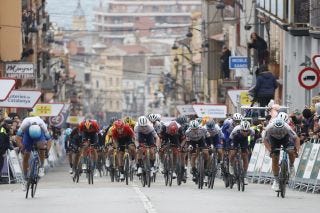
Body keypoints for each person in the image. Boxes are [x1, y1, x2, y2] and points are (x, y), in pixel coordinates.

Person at [263, 118, 300, 191]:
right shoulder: (269, 128)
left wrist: (297, 150)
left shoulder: (287, 127)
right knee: (275, 157)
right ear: (273, 126)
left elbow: (297, 139)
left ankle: (291, 166)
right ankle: (276, 180)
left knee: (291, 151)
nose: (279, 131)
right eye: (277, 129)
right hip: (273, 139)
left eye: (281, 129)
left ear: (283, 126)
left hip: (285, 138)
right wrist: (270, 150)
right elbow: (265, 140)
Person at [16, 116, 51, 191]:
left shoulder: (42, 125)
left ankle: (41, 167)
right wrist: (20, 146)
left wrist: (47, 150)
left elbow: (49, 140)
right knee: (26, 155)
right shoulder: (25, 124)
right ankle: (25, 179)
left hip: (40, 136)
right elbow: (17, 137)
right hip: (28, 135)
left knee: (42, 148)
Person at [229, 120, 254, 185]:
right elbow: (230, 138)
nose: (245, 132)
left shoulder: (251, 131)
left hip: (244, 140)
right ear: (241, 129)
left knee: (245, 156)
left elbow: (251, 139)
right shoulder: (236, 130)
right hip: (235, 139)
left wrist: (248, 146)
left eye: (246, 131)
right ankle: (231, 165)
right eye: (243, 131)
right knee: (233, 153)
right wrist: (231, 147)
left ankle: (244, 176)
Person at [0, 118, 13, 183]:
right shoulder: (2, 131)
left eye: (11, 124)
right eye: (9, 124)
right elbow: (2, 143)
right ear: (6, 124)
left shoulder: (5, 130)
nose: (10, 125)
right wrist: (2, 152)